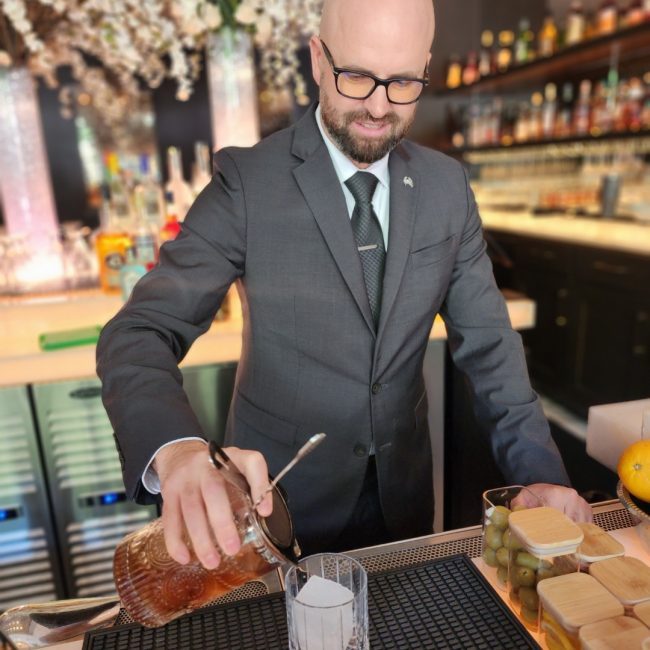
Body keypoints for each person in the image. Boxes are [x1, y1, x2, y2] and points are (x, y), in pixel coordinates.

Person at [96, 0, 591, 570]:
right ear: (317, 58)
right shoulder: (248, 182)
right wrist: (179, 452)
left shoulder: (447, 187)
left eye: (403, 82)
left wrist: (542, 477)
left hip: (402, 503)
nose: (378, 107)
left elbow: (491, 347)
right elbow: (138, 331)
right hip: (276, 509)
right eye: (356, 76)